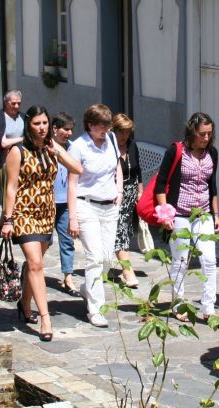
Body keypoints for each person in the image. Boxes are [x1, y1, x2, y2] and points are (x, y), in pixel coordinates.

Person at [1, 105, 82, 341]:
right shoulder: (18, 151)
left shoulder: (52, 148)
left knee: (33, 264)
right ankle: (45, 319)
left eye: (45, 123)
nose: (42, 127)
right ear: (29, 125)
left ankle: (25, 304)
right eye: (37, 123)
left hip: (46, 213)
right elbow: (11, 187)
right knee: (36, 264)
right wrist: (8, 220)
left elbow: (77, 169)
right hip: (24, 213)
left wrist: (56, 151)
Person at [155, 112, 219, 321]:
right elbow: (160, 184)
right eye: (202, 134)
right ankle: (179, 304)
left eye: (210, 134)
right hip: (180, 214)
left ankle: (208, 307)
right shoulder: (176, 151)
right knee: (181, 261)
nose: (206, 138)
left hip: (203, 214)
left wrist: (216, 213)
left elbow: (212, 186)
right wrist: (166, 214)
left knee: (209, 259)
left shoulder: (213, 153)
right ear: (192, 131)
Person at [66, 104, 123, 328]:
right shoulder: (78, 147)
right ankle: (95, 309)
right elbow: (72, 183)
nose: (107, 130)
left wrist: (119, 191)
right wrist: (72, 217)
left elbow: (117, 165)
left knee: (108, 259)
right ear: (90, 125)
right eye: (103, 126)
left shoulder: (110, 141)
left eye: (109, 125)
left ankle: (86, 289)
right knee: (95, 257)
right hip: (86, 205)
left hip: (110, 206)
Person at [50, 112, 80, 297]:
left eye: (71, 130)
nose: (69, 133)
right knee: (44, 242)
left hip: (66, 203)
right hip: (47, 202)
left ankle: (68, 277)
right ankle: (32, 271)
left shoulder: (73, 149)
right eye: (65, 129)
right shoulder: (46, 147)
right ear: (55, 129)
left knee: (67, 241)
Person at [112, 113, 143, 288]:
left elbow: (138, 171)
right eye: (121, 132)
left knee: (125, 230)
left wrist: (140, 192)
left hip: (131, 193)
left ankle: (115, 263)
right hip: (114, 194)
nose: (124, 136)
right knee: (119, 231)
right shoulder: (108, 148)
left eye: (127, 132)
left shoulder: (132, 146)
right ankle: (127, 271)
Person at [0, 90, 25, 198]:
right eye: (13, 103)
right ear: (6, 103)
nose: (16, 106)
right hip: (4, 163)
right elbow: (3, 143)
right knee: (7, 197)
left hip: (22, 161)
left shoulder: (23, 117)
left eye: (19, 103)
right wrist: (22, 138)